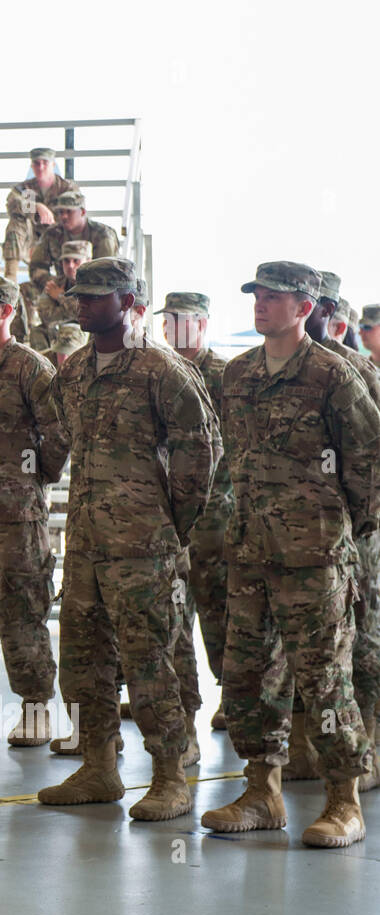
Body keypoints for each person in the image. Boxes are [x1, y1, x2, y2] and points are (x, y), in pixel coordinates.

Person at [200, 262, 380, 847]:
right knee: (249, 678)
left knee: (326, 679)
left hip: (316, 560)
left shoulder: (334, 376)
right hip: (251, 552)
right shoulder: (238, 374)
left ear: (305, 308)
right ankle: (262, 791)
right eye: (256, 295)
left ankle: (342, 799)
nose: (260, 305)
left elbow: (368, 468)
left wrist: (339, 532)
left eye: (273, 298)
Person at [36, 257, 217, 819]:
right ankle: (98, 766)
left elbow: (200, 455)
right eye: (79, 295)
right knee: (84, 659)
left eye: (95, 296)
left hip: (144, 549)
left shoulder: (161, 372)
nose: (83, 304)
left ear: (128, 302)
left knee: (149, 660)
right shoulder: (73, 374)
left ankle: (168, 775)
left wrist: (169, 526)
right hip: (88, 545)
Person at [0, 275, 69, 746]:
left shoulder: (31, 368)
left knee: (20, 614)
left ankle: (37, 708)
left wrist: (29, 479)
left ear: (6, 312)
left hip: (15, 516)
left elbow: (59, 434)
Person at [294, 269, 380, 790]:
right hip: (310, 532)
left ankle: (367, 739)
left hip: (357, 531)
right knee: (309, 644)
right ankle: (307, 742)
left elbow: (369, 457)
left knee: (363, 634)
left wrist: (360, 522)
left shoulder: (353, 371)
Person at [156, 291, 231, 733]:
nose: (175, 328)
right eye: (170, 320)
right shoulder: (161, 372)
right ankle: (179, 700)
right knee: (173, 612)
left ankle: (230, 694)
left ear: (203, 324)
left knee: (221, 609)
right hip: (170, 517)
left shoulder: (222, 375)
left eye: (185, 320)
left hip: (217, 513)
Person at [3, 146, 77, 280]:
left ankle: (67, 282)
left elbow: (75, 213)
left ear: (53, 165)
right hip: (30, 239)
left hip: (57, 238)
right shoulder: (25, 188)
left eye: (45, 162)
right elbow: (12, 203)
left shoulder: (67, 188)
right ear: (32, 166)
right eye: (36, 163)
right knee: (16, 223)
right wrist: (36, 206)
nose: (40, 167)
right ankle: (10, 278)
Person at [27, 190, 119, 289]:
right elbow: (36, 267)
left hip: (94, 290)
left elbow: (109, 273)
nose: (64, 216)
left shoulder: (103, 235)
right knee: (26, 289)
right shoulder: (52, 234)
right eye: (61, 212)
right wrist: (55, 284)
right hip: (60, 288)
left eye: (69, 211)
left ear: (82, 212)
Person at [34, 240, 91, 348]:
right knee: (38, 331)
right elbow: (46, 317)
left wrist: (60, 297)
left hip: (90, 333)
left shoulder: (95, 284)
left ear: (88, 261)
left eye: (76, 261)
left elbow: (90, 314)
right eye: (66, 261)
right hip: (59, 330)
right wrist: (74, 311)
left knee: (70, 332)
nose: (70, 265)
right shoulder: (54, 284)